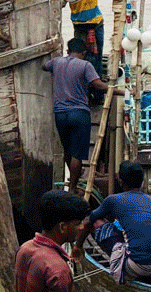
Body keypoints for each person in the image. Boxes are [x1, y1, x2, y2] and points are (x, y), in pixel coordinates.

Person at [72, 162, 151, 284]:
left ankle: (118, 265)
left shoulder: (114, 200)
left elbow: (89, 220)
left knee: (97, 223)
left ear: (120, 181)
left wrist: (78, 246)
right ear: (142, 181)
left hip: (138, 267)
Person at [44, 37, 114, 196]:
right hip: (79, 113)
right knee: (77, 154)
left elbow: (44, 66)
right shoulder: (85, 65)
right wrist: (119, 91)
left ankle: (74, 177)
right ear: (83, 53)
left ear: (68, 51)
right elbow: (99, 85)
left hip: (60, 114)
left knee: (67, 150)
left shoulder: (56, 62)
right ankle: (73, 188)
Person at [14, 189, 91, 292]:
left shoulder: (25, 248)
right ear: (62, 227)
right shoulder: (58, 269)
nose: (81, 227)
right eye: (77, 223)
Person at [62, 0, 112, 77]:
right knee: (80, 55)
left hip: (96, 25)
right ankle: (83, 80)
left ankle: (96, 79)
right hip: (80, 28)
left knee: (97, 54)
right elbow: (58, 5)